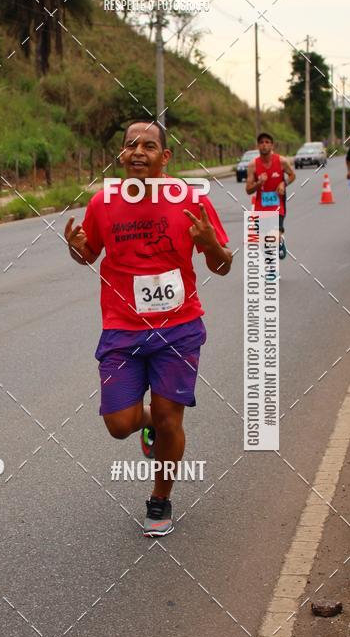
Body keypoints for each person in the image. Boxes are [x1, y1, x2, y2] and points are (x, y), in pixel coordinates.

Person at [64, 120, 232, 536]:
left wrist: (210, 242)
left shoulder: (190, 201)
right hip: (122, 329)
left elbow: (223, 264)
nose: (139, 151)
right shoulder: (103, 202)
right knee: (119, 424)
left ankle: (160, 500)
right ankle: (151, 422)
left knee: (171, 419)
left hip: (179, 328)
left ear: (165, 156)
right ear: (121, 154)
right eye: (131, 145)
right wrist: (76, 248)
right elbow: (90, 256)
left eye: (150, 146)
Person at [246, 132, 295, 259]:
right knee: (263, 240)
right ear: (258, 146)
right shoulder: (253, 165)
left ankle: (278, 246)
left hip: (278, 204)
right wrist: (259, 183)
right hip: (260, 206)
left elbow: (292, 175)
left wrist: (283, 184)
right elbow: (248, 190)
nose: (264, 145)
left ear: (272, 145)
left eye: (267, 142)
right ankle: (270, 266)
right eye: (261, 142)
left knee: (274, 236)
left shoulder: (281, 161)